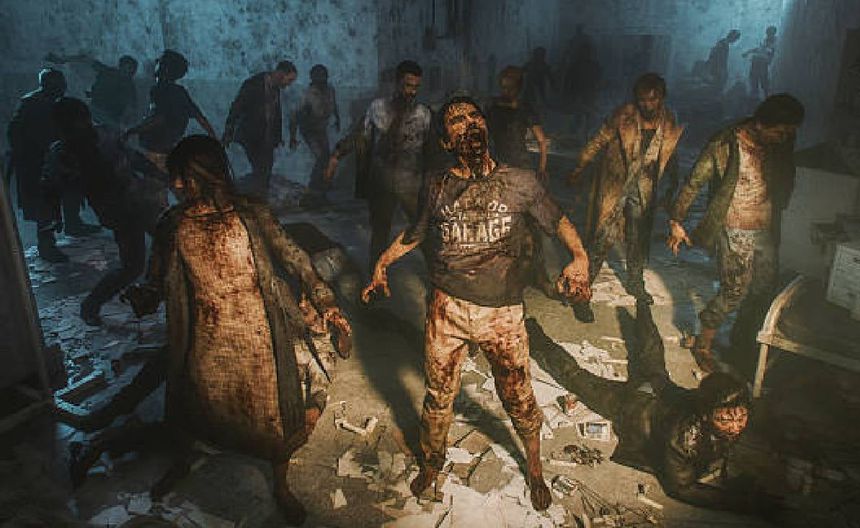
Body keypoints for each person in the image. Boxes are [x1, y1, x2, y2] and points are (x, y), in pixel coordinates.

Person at [361, 96, 591, 511]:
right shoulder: (436, 184)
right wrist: (382, 263)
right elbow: (416, 233)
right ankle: (432, 464)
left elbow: (558, 221)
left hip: (502, 314)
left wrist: (580, 256)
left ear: (485, 126)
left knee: (518, 395)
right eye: (456, 120)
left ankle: (534, 467)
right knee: (438, 396)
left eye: (473, 116)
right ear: (446, 141)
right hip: (446, 310)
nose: (468, 123)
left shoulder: (521, 182)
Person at [119, 135, 350, 524]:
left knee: (272, 415)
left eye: (183, 176)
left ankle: (280, 484)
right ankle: (182, 461)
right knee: (195, 403)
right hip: (205, 333)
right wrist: (142, 296)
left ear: (206, 174)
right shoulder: (172, 224)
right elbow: (155, 282)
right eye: (175, 177)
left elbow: (295, 258)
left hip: (257, 333)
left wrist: (326, 303)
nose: (176, 185)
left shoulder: (252, 213)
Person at [528, 302, 781, 517]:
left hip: (661, 388)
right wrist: (745, 504)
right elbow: (681, 488)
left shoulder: (719, 405)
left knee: (652, 350)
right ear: (705, 415)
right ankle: (531, 332)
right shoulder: (683, 439)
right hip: (633, 407)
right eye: (726, 419)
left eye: (741, 416)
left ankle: (642, 304)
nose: (736, 426)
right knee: (576, 377)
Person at [667, 94, 804, 375]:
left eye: (788, 133)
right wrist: (676, 220)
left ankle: (741, 346)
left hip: (766, 226)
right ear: (761, 124)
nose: (784, 138)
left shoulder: (781, 142)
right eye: (780, 132)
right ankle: (703, 345)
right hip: (733, 226)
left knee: (763, 290)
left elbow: (785, 175)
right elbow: (694, 182)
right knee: (734, 291)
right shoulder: (725, 143)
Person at [567, 73, 684, 323]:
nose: (647, 105)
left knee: (638, 239)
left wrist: (673, 182)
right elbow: (599, 139)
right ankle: (581, 292)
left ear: (662, 98)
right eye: (642, 100)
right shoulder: (624, 115)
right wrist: (580, 165)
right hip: (616, 185)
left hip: (644, 188)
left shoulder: (669, 119)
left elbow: (671, 153)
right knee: (601, 240)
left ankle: (635, 283)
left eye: (652, 99)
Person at [41, 98, 160, 326]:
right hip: (118, 211)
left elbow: (132, 157)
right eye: (73, 125)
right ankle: (91, 305)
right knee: (132, 266)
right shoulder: (63, 153)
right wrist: (53, 217)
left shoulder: (105, 135)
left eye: (83, 121)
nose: (82, 128)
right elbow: (51, 188)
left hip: (139, 198)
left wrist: (157, 173)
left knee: (171, 239)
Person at [324, 60, 432, 266]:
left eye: (416, 87)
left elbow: (431, 149)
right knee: (380, 232)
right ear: (397, 83)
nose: (411, 92)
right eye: (407, 85)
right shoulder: (378, 108)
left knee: (421, 228)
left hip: (411, 182)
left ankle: (437, 277)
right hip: (382, 180)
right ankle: (375, 277)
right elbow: (360, 135)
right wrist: (336, 156)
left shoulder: (423, 114)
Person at [6, 68, 99, 262]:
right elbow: (17, 134)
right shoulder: (31, 104)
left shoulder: (57, 103)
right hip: (37, 163)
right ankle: (46, 245)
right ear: (48, 84)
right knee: (44, 204)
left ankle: (73, 223)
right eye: (59, 83)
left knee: (72, 189)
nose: (63, 87)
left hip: (57, 158)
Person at [485, 65, 555, 298]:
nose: (505, 91)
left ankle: (541, 277)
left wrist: (542, 169)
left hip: (522, 169)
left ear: (518, 87)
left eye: (510, 87)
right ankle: (501, 277)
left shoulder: (525, 108)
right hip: (498, 170)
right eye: (503, 87)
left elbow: (542, 141)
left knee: (533, 226)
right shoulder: (492, 108)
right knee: (499, 224)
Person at [124, 50, 216, 186]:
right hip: (168, 147)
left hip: (154, 148)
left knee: (153, 186)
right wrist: (214, 139)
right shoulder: (180, 92)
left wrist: (133, 131)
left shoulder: (160, 90)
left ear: (164, 68)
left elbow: (159, 118)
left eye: (159, 62)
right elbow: (200, 118)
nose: (156, 63)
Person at [223, 60, 298, 200]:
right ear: (281, 74)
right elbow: (236, 108)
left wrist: (277, 136)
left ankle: (259, 199)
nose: (288, 85)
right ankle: (256, 200)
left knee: (265, 170)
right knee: (261, 169)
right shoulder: (253, 84)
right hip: (251, 135)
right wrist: (228, 131)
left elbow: (274, 114)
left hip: (266, 138)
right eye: (289, 80)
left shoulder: (275, 88)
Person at [290, 64, 341, 206]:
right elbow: (294, 117)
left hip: (321, 129)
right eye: (318, 78)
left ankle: (320, 192)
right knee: (322, 158)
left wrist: (337, 119)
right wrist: (293, 137)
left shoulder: (330, 90)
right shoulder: (308, 95)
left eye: (324, 77)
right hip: (309, 130)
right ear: (313, 79)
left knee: (326, 159)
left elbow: (334, 105)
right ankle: (313, 191)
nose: (322, 81)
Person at [45, 52, 138, 127]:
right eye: (126, 69)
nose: (127, 73)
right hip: (94, 112)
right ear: (120, 66)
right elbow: (85, 59)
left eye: (130, 71)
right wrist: (62, 59)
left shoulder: (130, 88)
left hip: (109, 121)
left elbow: (131, 110)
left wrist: (123, 123)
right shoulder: (108, 72)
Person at [742, 26, 777, 99]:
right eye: (767, 33)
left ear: (773, 33)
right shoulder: (766, 40)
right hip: (757, 62)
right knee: (754, 80)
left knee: (764, 82)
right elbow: (759, 49)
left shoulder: (775, 41)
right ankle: (755, 97)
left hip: (762, 64)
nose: (767, 34)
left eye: (769, 33)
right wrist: (748, 52)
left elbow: (769, 52)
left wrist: (768, 59)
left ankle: (766, 98)